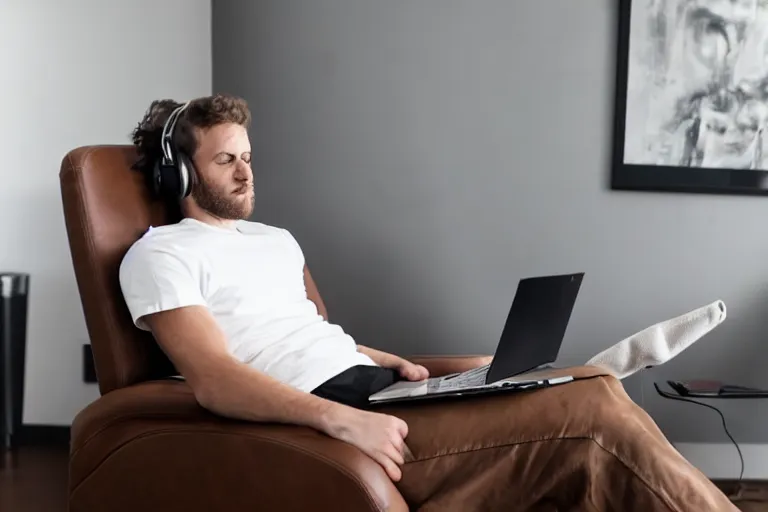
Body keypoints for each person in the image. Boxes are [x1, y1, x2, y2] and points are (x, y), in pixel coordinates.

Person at [120, 93, 738, 511]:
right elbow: (215, 376)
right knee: (592, 421)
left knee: (581, 385)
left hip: (368, 379)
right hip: (331, 404)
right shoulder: (163, 254)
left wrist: (393, 360)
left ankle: (584, 371)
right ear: (180, 173)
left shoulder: (274, 241)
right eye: (226, 160)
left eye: (248, 158)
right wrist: (340, 419)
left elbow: (301, 329)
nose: (246, 173)